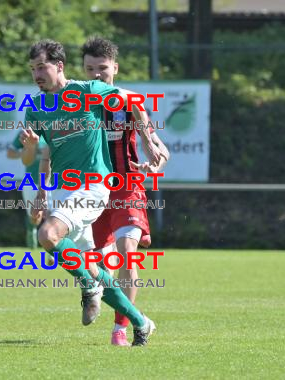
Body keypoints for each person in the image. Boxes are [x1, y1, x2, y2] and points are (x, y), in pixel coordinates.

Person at [20, 39, 161, 346]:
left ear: (59, 66)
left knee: (47, 236)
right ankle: (139, 321)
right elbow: (34, 159)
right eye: (32, 69)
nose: (36, 75)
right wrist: (32, 156)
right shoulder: (35, 108)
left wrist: (149, 140)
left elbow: (133, 100)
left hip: (93, 187)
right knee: (95, 267)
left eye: (41, 67)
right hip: (61, 192)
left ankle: (88, 285)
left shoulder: (85, 92)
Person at [82, 36, 170, 346]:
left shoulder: (130, 103)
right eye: (90, 68)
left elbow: (162, 152)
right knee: (90, 263)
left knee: (126, 254)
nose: (96, 75)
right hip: (89, 191)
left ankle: (123, 326)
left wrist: (153, 166)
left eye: (102, 69)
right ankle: (101, 298)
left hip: (126, 187)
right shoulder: (75, 104)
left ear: (115, 68)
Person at [7, 132, 49, 249]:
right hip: (31, 182)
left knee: (53, 214)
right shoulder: (27, 132)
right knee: (34, 216)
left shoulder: (56, 128)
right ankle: (32, 230)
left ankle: (53, 246)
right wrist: (28, 152)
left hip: (52, 181)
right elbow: (10, 153)